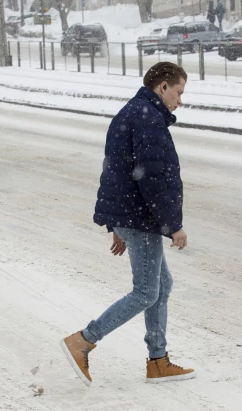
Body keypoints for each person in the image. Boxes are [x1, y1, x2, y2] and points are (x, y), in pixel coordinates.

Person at [59, 62, 196, 386]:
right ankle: (83, 341)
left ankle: (158, 360)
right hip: (142, 218)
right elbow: (153, 179)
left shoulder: (133, 113)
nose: (180, 101)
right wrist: (172, 225)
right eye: (178, 92)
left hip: (132, 216)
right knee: (146, 292)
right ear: (162, 87)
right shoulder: (147, 119)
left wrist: (116, 225)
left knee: (161, 287)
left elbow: (115, 172)